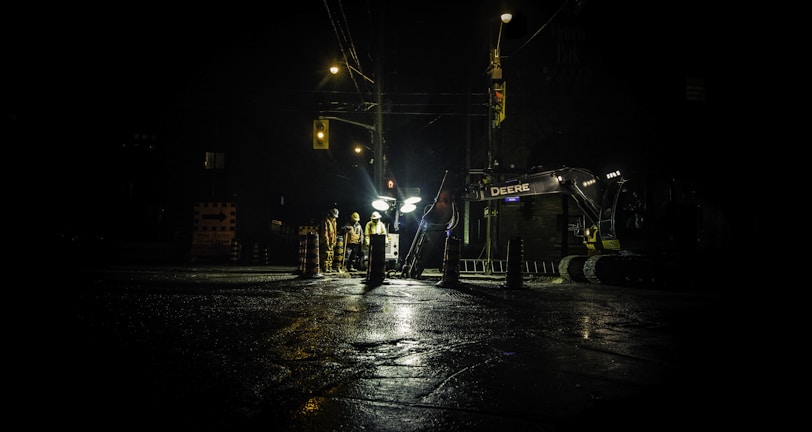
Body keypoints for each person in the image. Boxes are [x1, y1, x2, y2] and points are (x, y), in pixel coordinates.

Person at [319, 208, 339, 273]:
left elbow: (335, 232)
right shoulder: (326, 221)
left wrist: (335, 240)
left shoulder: (334, 222)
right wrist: (326, 241)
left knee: (331, 254)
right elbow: (325, 231)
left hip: (332, 241)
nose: (333, 218)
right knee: (326, 254)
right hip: (326, 241)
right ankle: (325, 267)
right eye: (333, 216)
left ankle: (329, 267)